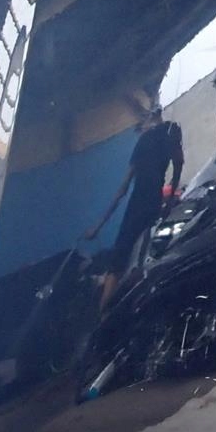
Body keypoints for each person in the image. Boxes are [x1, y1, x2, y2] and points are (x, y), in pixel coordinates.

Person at [87, 101, 184, 310]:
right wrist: (169, 200)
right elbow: (179, 164)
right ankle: (127, 305)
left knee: (119, 261)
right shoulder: (171, 132)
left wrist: (98, 226)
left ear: (149, 119)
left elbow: (123, 188)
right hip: (152, 203)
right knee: (141, 258)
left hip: (137, 204)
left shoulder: (146, 140)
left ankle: (105, 312)